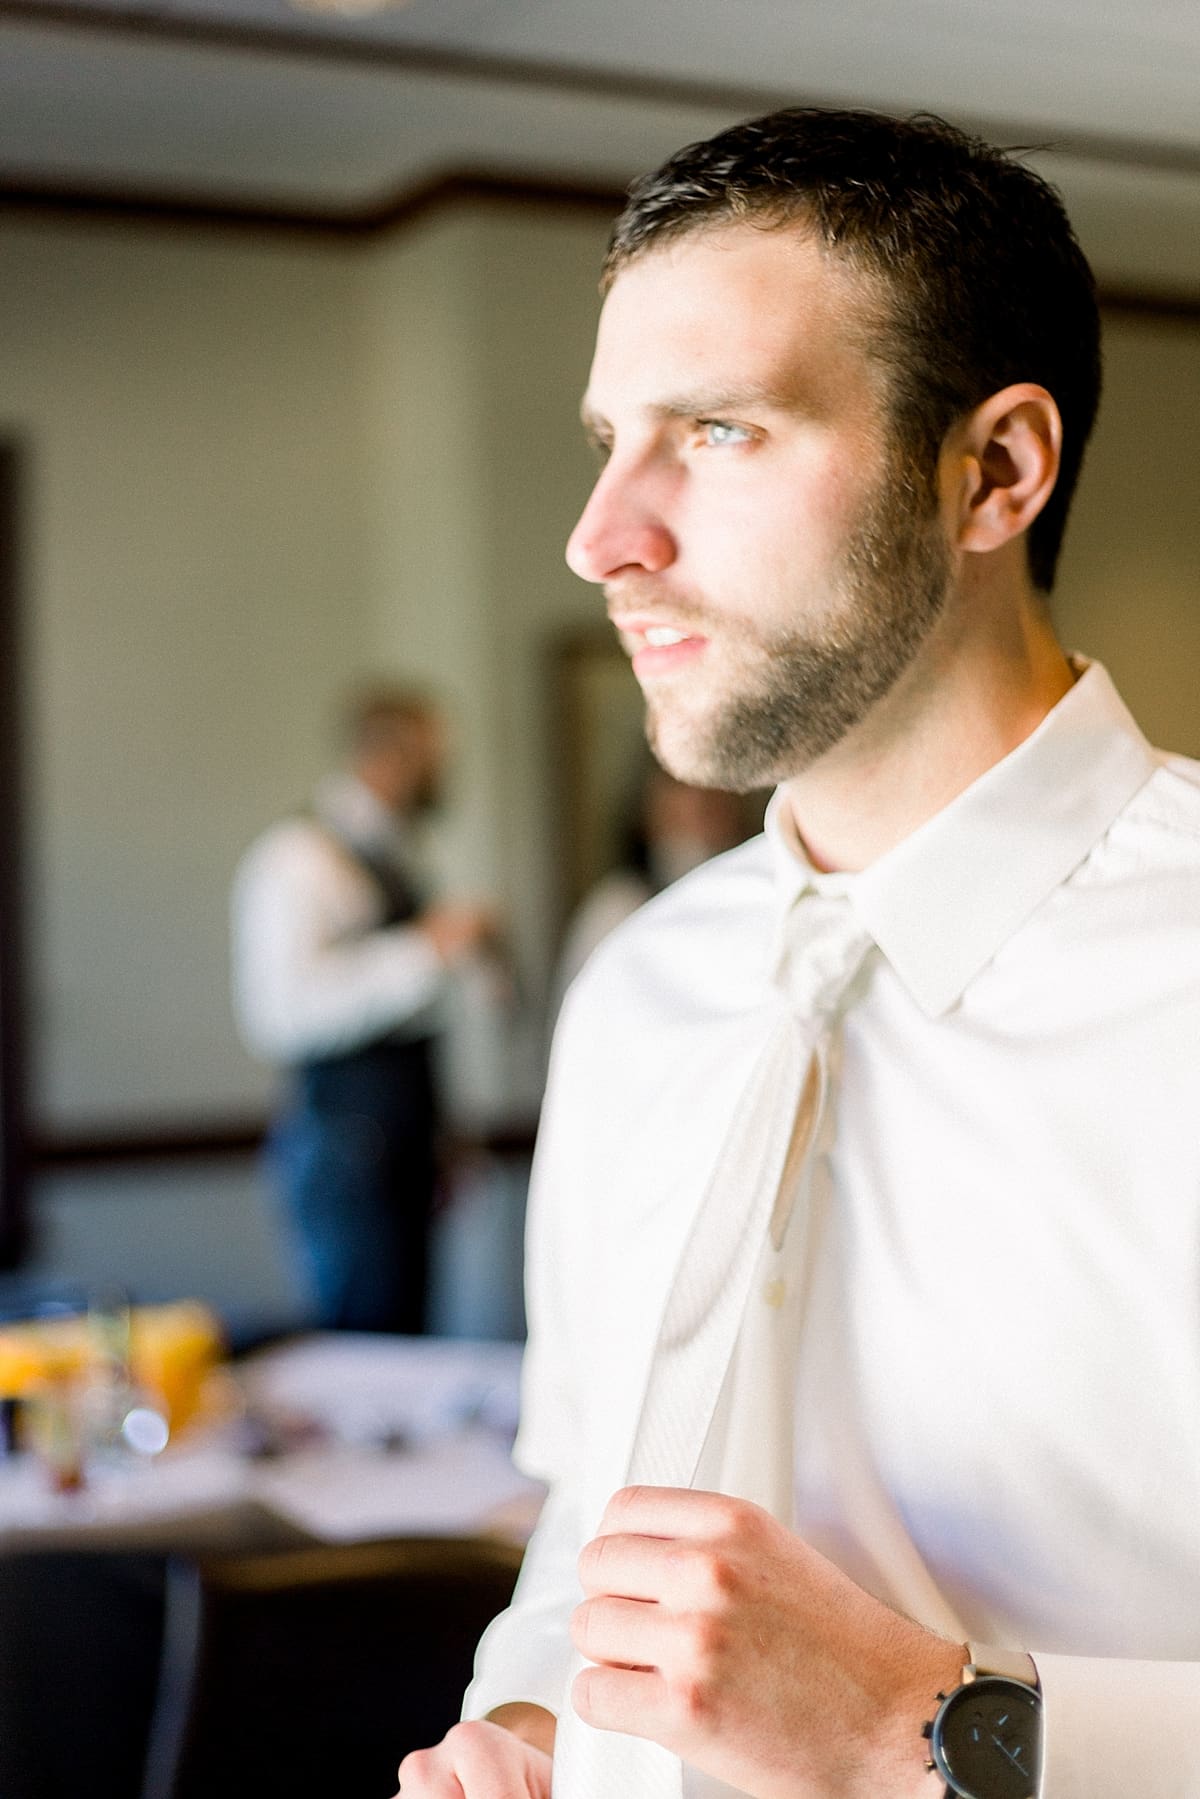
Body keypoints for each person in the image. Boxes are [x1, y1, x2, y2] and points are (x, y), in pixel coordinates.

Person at [397, 109, 1200, 1799]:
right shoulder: (637, 992)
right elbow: (591, 1508)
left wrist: (937, 1726)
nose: (603, 533)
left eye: (720, 429)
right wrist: (540, 1718)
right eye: (613, 437)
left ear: (994, 472)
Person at [232, 685, 495, 1333]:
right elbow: (280, 1015)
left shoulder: (403, 855)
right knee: (362, 1335)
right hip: (344, 1143)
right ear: (389, 754)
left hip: (406, 1135)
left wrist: (441, 1126)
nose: (445, 773)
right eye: (436, 756)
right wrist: (425, 950)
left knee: (407, 1331)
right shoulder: (298, 858)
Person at [554, 764, 751, 1000]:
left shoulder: (760, 893)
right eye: (680, 785)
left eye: (717, 781)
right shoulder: (617, 907)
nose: (700, 798)